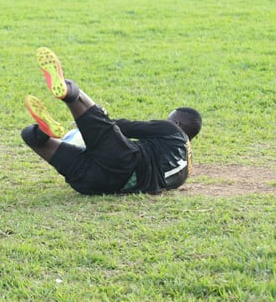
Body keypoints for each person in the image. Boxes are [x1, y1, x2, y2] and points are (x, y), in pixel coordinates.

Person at [20, 47, 202, 195]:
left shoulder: (173, 132)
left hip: (124, 161)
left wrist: (103, 118)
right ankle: (43, 133)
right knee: (28, 134)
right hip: (96, 184)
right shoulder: (184, 174)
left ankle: (68, 90)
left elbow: (124, 127)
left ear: (177, 124)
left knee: (93, 113)